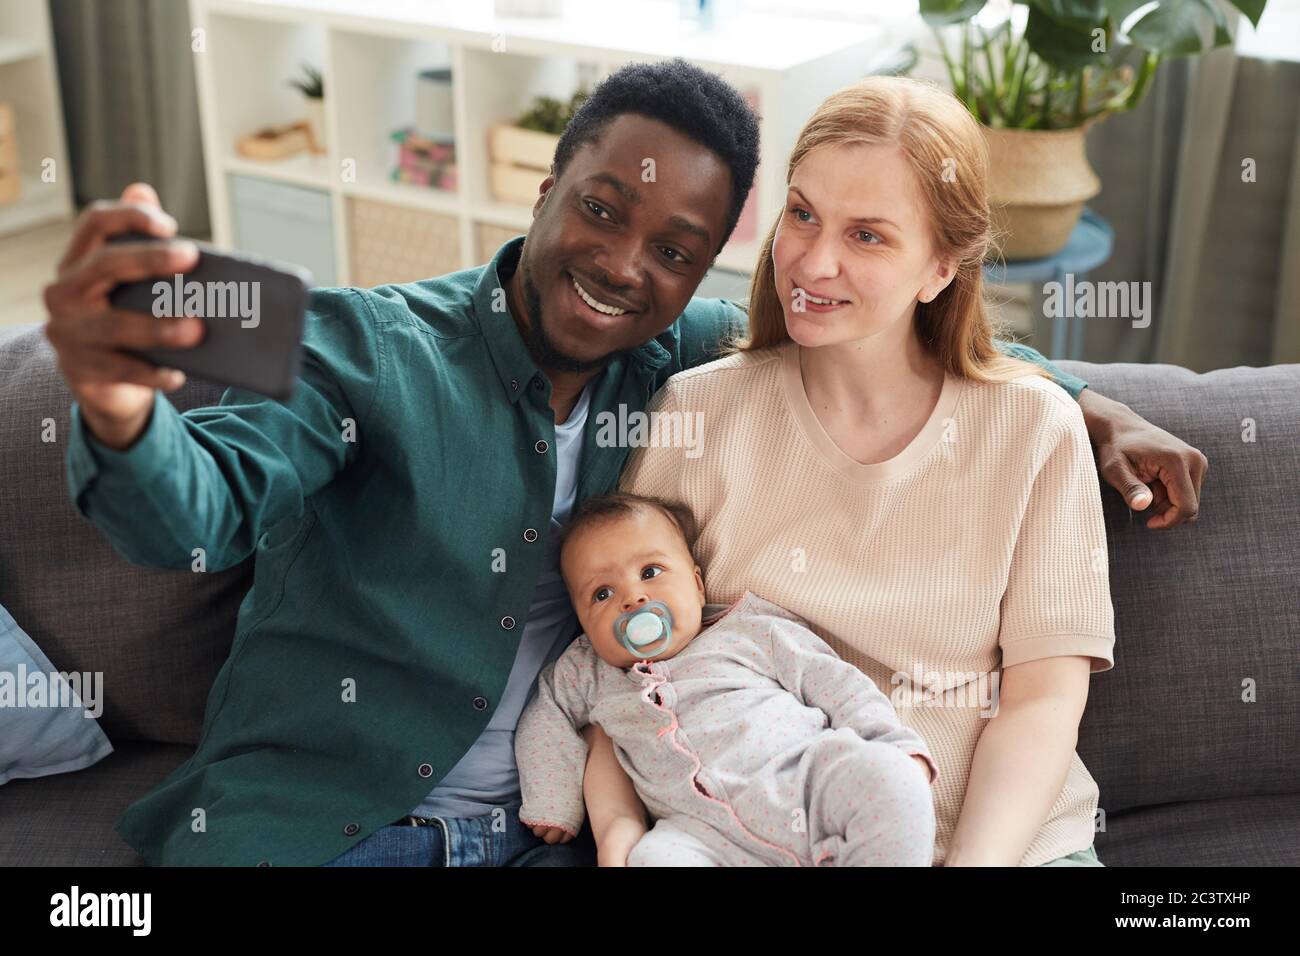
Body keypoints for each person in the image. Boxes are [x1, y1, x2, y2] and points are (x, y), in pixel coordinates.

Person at [40, 59, 1205, 866]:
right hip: (334, 824)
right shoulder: (368, 348)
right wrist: (116, 399)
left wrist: (1090, 402)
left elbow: (912, 346)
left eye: (674, 250)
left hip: (549, 834)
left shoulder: (680, 363)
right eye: (598, 209)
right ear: (544, 191)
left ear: (701, 272)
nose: (618, 267)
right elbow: (195, 510)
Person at [602, 74, 1170, 867]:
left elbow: (1041, 701)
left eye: (867, 235)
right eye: (803, 214)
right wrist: (621, 835)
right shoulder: (697, 412)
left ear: (942, 267)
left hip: (999, 849)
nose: (814, 261)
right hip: (756, 843)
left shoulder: (1033, 429)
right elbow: (631, 662)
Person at [515, 491, 939, 866]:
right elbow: (546, 713)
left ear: (697, 585)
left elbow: (838, 684)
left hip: (805, 785)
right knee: (651, 857)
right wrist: (553, 800)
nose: (632, 598)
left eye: (650, 572)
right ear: (584, 625)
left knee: (889, 779)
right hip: (701, 837)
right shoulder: (587, 671)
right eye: (601, 594)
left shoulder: (751, 631)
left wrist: (891, 744)